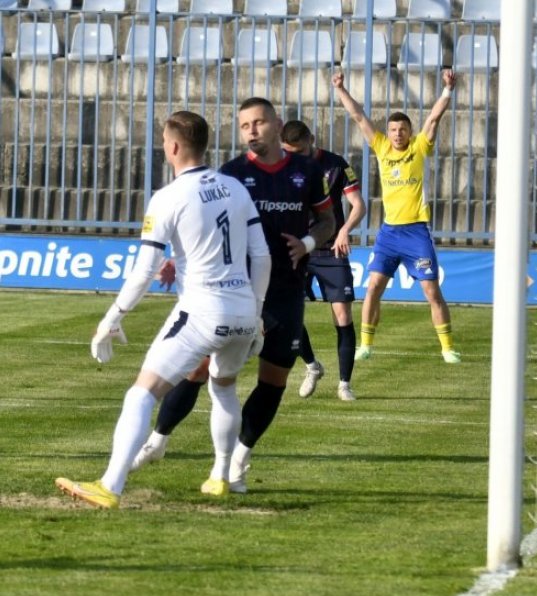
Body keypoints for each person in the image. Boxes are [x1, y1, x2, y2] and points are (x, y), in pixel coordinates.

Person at [55, 111, 272, 508]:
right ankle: (220, 476)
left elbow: (145, 270)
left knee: (142, 392)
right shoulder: (235, 187)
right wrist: (256, 314)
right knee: (223, 387)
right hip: (243, 309)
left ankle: (110, 485)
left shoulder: (169, 197)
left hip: (202, 309)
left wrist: (112, 317)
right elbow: (261, 255)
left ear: (172, 147)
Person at [130, 97, 335, 493]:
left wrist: (308, 242)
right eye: (244, 126)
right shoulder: (232, 174)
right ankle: (158, 440)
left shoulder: (308, 171)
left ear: (276, 124)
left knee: (274, 381)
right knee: (199, 370)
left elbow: (327, 220)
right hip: (235, 294)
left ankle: (237, 460)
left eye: (258, 123)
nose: (252, 131)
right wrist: (176, 260)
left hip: (286, 292)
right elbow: (200, 226)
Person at [331, 69, 461, 364]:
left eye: (402, 129)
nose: (397, 134)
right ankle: (366, 344)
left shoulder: (418, 147)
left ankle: (447, 347)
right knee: (374, 286)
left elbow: (433, 120)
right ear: (387, 133)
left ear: (409, 132)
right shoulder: (380, 147)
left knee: (431, 290)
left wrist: (447, 91)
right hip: (389, 233)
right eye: (393, 130)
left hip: (416, 232)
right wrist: (340, 88)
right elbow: (359, 117)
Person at [280, 119, 366, 402]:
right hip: (299, 251)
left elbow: (358, 205)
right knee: (287, 316)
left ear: (312, 140)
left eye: (299, 151)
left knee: (342, 316)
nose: (294, 157)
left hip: (331, 250)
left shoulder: (335, 164)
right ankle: (312, 366)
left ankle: (344, 384)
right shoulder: (282, 167)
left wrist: (343, 230)